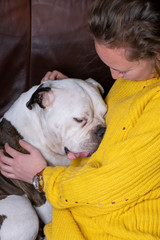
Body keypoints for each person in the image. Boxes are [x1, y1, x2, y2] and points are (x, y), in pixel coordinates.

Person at [0, 0, 160, 239]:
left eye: (122, 71)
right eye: (108, 66)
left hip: (111, 227)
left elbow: (110, 187)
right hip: (73, 210)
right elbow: (120, 123)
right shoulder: (136, 80)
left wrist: (40, 177)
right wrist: (72, 91)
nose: (114, 77)